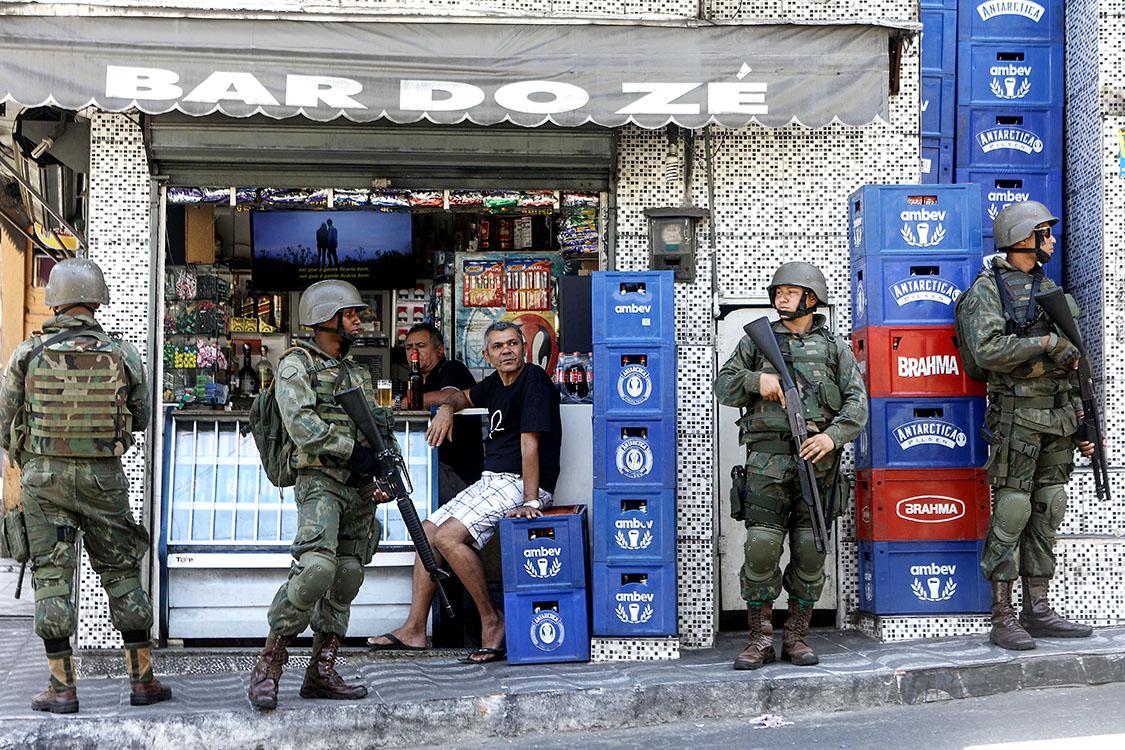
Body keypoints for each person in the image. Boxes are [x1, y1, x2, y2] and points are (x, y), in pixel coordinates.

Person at [0, 258, 172, 713]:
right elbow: (141, 414)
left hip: (44, 477)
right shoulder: (122, 353)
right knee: (120, 574)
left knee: (52, 580)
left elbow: (4, 421)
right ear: (97, 300)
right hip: (104, 479)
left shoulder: (27, 353)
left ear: (55, 300)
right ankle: (142, 681)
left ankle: (62, 688)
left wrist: (28, 457)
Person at [367, 321, 562, 663]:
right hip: (493, 479)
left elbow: (530, 444)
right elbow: (460, 395)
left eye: (512, 344)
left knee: (447, 538)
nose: (507, 350)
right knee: (426, 532)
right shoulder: (494, 384)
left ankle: (492, 620)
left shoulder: (533, 380)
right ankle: (414, 629)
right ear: (487, 355)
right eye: (498, 346)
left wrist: (532, 500)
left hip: (519, 481)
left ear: (523, 348)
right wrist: (446, 408)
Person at [247, 279, 398, 710]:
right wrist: (354, 453)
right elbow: (302, 427)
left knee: (347, 574)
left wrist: (386, 468)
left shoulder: (357, 371)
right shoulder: (297, 365)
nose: (358, 321)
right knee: (315, 568)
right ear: (325, 318)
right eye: (350, 314)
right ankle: (269, 665)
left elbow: (379, 428)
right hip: (321, 481)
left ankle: (321, 670)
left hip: (359, 488)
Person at [955, 201, 1096, 651]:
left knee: (1048, 507)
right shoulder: (987, 291)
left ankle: (1038, 609)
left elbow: (1075, 364)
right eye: (1045, 233)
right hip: (1016, 417)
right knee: (1013, 510)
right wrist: (1046, 341)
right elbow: (987, 352)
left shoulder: (1050, 288)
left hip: (1058, 416)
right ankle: (1003, 615)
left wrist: (1087, 425)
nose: (1052, 241)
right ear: (1022, 238)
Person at [714, 262, 867, 670]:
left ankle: (795, 636)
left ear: (811, 298)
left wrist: (831, 437)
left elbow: (857, 403)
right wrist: (755, 382)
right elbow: (723, 385)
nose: (780, 298)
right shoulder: (757, 343)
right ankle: (759, 638)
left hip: (817, 466)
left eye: (789, 291)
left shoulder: (834, 347)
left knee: (809, 550)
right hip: (766, 464)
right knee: (761, 547)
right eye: (777, 292)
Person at [402, 322, 483, 501]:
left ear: (439, 350)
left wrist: (405, 402)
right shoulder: (414, 380)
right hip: (426, 465)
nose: (413, 352)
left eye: (420, 346)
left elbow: (450, 395)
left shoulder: (453, 369)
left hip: (457, 474)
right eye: (409, 347)